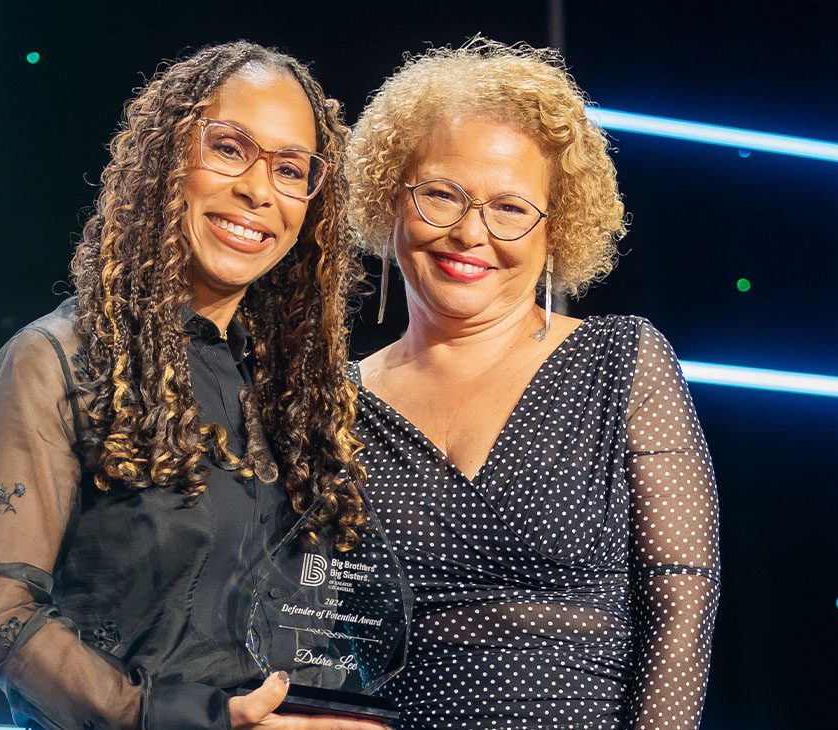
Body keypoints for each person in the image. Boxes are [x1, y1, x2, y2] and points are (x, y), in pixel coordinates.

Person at [0, 41, 386, 730]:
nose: (259, 190)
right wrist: (163, 717)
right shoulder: (57, 360)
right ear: (167, 158)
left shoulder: (299, 397)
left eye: (291, 169)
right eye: (230, 148)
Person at [346, 38, 720, 729]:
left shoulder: (622, 362)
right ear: (390, 200)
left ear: (558, 232)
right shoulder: (333, 405)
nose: (470, 232)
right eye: (440, 195)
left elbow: (682, 600)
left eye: (511, 208)